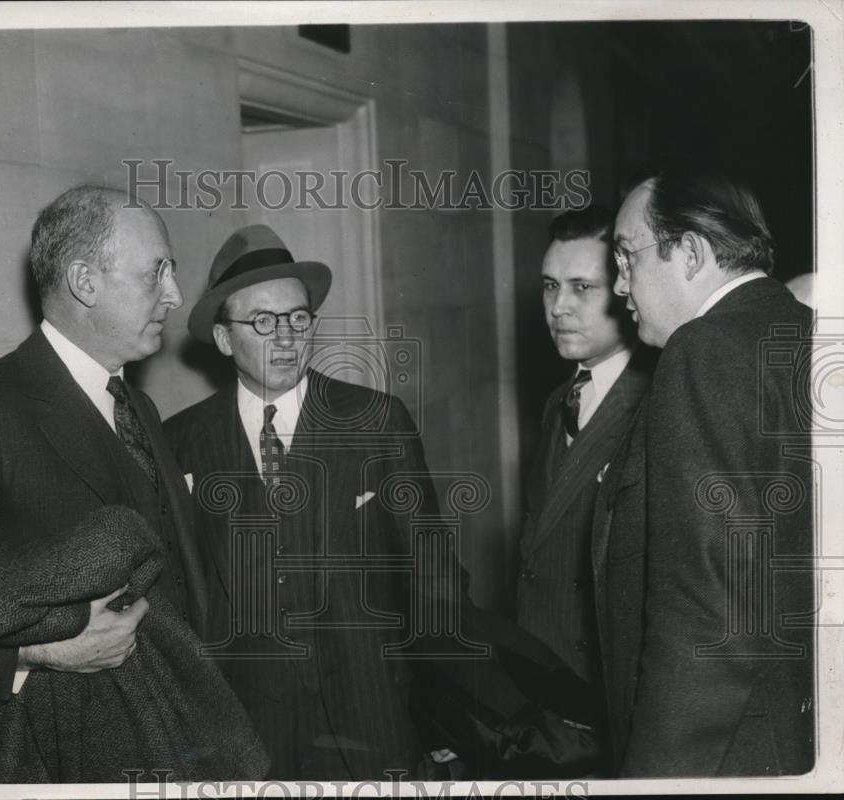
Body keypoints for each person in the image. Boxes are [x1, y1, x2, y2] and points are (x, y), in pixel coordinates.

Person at [164, 225, 604, 781]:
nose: (285, 338)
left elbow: (434, 584)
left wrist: (448, 713)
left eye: (299, 319)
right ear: (225, 339)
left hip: (373, 724)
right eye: (263, 322)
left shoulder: (374, 420)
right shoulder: (181, 442)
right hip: (245, 738)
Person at [0, 185, 252, 782]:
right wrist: (42, 654)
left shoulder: (140, 408)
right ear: (84, 282)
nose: (175, 296)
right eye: (157, 273)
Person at [593, 167, 814, 776]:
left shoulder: (703, 350)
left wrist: (654, 780)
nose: (618, 285)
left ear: (689, 252)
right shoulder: (799, 331)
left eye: (626, 256)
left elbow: (706, 611)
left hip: (722, 754)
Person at [516, 206, 653, 695]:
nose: (558, 308)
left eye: (581, 287)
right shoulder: (560, 399)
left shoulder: (657, 401)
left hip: (612, 690)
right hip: (550, 682)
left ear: (626, 289)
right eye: (551, 286)